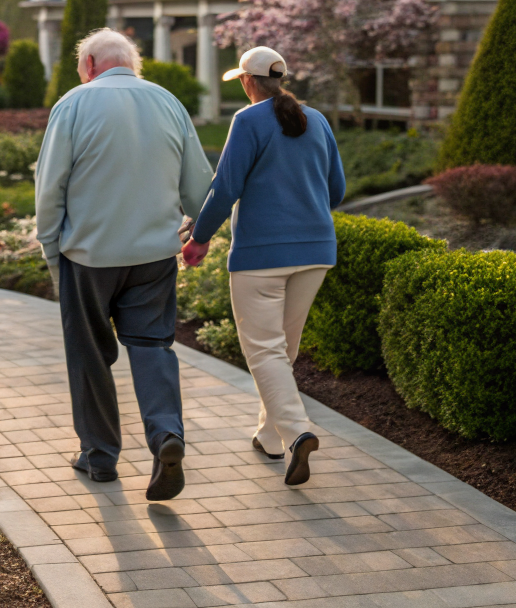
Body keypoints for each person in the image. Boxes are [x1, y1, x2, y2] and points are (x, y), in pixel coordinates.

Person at [35, 27, 213, 500]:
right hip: (154, 256)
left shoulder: (74, 103)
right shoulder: (169, 102)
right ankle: (166, 436)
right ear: (131, 63)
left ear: (89, 65)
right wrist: (198, 232)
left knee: (90, 354)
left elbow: (50, 189)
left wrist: (52, 252)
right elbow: (199, 185)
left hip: (89, 257)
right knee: (153, 347)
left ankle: (100, 459)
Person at [181, 46, 345, 487]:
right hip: (316, 252)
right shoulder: (318, 120)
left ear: (247, 82)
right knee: (283, 350)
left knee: (265, 351)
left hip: (262, 256)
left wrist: (199, 238)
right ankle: (270, 437)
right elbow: (337, 190)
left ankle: (297, 434)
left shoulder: (247, 120)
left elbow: (225, 186)